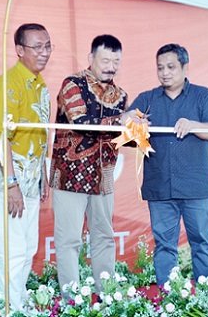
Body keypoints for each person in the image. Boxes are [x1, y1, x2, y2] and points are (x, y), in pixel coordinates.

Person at [127, 43, 208, 285]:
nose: (165, 73)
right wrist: (132, 123)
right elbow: (126, 124)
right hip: (160, 186)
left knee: (201, 242)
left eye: (170, 67)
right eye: (160, 68)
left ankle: (205, 295)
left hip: (196, 187)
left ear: (185, 67)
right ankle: (168, 297)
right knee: (164, 245)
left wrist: (193, 125)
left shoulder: (203, 96)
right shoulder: (147, 99)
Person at [0, 23, 52, 312]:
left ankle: (20, 303)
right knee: (13, 247)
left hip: (32, 177)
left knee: (29, 246)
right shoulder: (6, 84)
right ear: (19, 50)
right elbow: (0, 138)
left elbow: (40, 134)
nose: (44, 52)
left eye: (48, 46)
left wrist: (43, 174)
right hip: (7, 177)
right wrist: (11, 184)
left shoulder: (40, 85)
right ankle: (10, 308)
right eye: (37, 47)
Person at [50, 34, 128, 294]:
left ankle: (107, 296)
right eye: (105, 60)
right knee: (69, 240)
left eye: (116, 62)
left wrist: (138, 131)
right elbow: (80, 122)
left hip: (103, 177)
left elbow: (120, 137)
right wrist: (121, 121)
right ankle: (72, 300)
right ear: (90, 58)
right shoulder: (72, 84)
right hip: (70, 176)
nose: (111, 67)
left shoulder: (121, 95)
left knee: (104, 237)